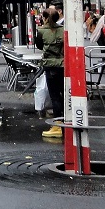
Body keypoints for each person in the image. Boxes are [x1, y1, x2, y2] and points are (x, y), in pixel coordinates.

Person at [36, 8, 65, 140]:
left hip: (50, 65)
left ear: (45, 18)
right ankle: (67, 121)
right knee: (63, 93)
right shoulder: (63, 30)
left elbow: (40, 46)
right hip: (63, 64)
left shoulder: (41, 31)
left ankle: (57, 125)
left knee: (55, 97)